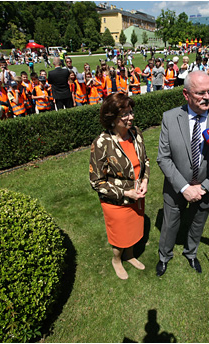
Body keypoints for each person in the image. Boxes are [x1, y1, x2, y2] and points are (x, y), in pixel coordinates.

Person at [156, 71, 209, 277]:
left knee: (197, 223)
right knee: (170, 224)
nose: (207, 97)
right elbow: (163, 158)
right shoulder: (170, 117)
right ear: (186, 94)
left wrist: (205, 187)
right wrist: (184, 187)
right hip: (176, 187)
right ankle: (164, 256)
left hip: (207, 187)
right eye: (200, 93)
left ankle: (191, 253)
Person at [89, 93, 150, 280]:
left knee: (133, 230)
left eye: (131, 112)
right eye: (125, 114)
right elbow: (96, 181)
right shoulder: (101, 143)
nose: (130, 117)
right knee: (120, 236)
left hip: (137, 195)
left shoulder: (136, 133)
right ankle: (116, 259)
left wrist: (145, 180)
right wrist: (125, 192)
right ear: (112, 118)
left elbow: (145, 161)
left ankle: (130, 255)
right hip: (116, 201)